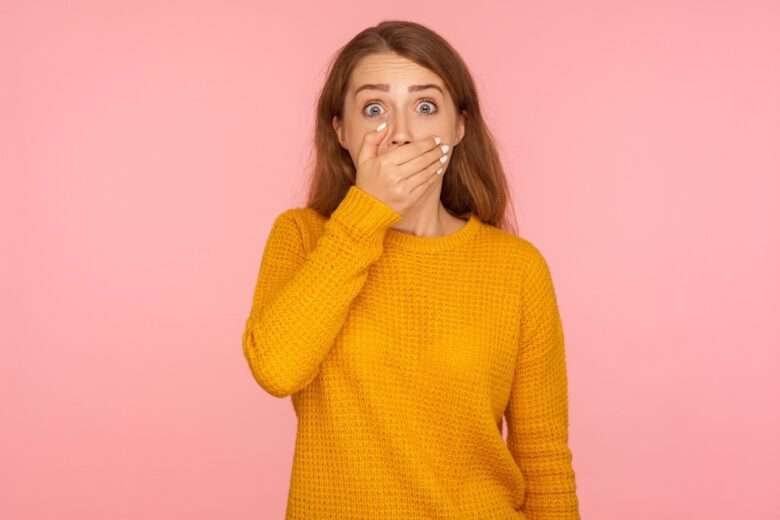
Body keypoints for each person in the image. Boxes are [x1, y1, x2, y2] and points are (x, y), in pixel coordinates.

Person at [242, 20, 581, 520]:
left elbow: (545, 460)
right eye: (374, 109)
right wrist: (364, 215)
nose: (400, 133)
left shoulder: (516, 269)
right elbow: (275, 368)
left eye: (425, 107)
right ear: (340, 130)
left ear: (459, 126)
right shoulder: (305, 238)